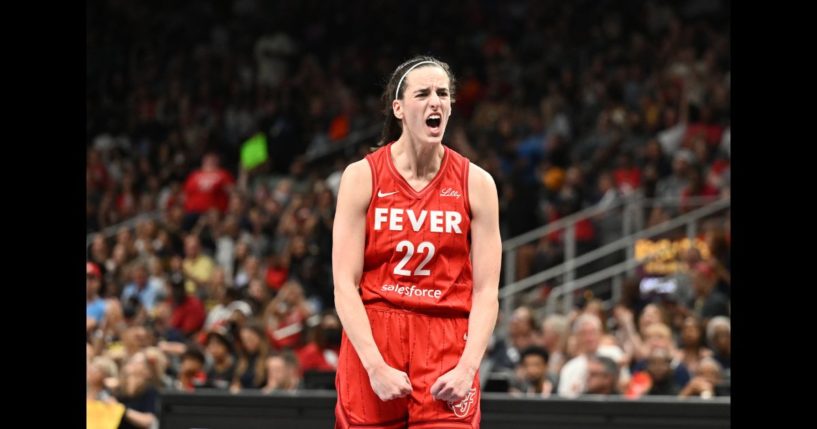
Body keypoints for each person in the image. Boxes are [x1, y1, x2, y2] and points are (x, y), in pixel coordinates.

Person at [332, 55, 501, 428]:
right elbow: (345, 285)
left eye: (442, 93)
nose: (435, 101)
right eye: (422, 93)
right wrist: (374, 365)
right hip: (375, 334)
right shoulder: (362, 177)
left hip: (446, 341)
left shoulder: (477, 183)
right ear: (398, 108)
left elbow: (487, 292)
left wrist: (468, 367)